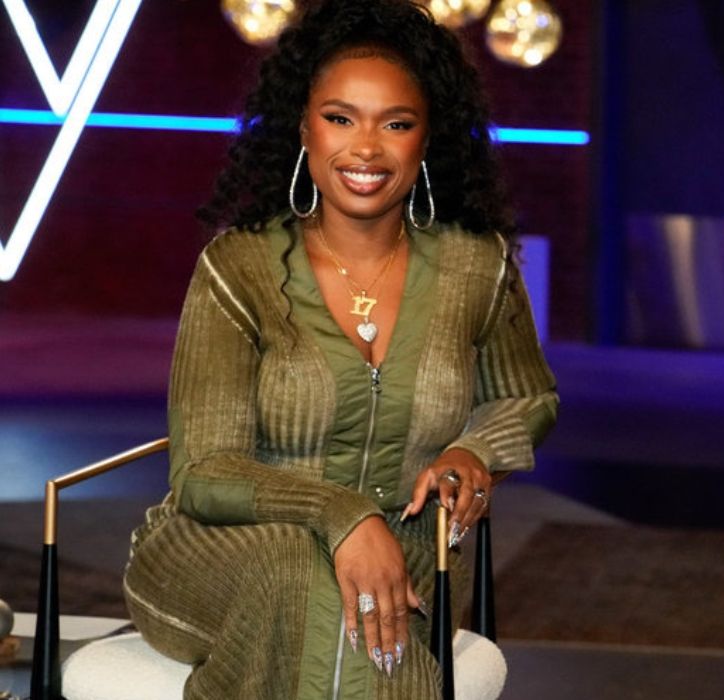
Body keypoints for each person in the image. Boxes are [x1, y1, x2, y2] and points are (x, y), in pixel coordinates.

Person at [122, 1, 557, 697]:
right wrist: (340, 513)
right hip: (219, 554)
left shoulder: (479, 268)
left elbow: (525, 394)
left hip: (407, 557)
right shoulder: (241, 267)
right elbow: (203, 473)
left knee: (346, 614)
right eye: (340, 118)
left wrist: (475, 450)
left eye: (396, 123)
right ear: (303, 127)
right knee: (309, 585)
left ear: (426, 139)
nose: (365, 148)